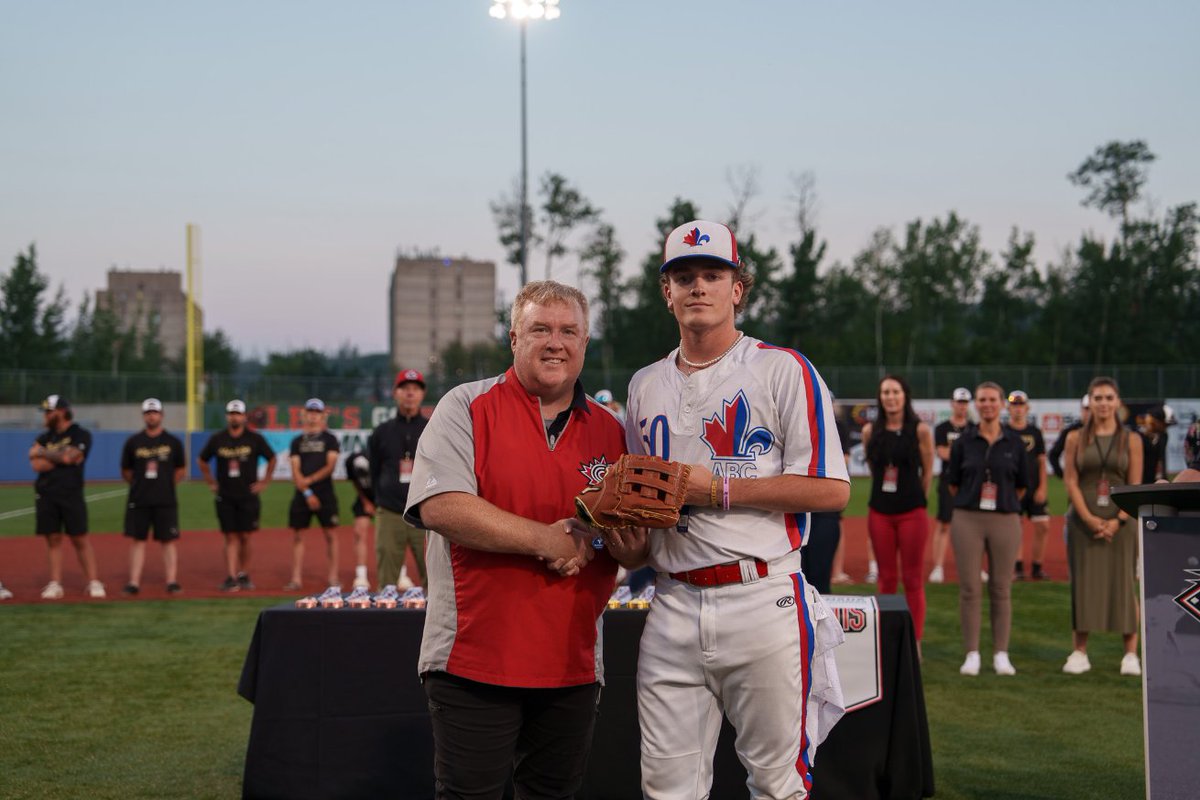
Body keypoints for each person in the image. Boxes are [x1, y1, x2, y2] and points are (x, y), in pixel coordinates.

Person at [618, 220, 850, 799]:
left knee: (776, 786)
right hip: (670, 600)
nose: (699, 287)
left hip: (762, 596)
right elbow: (652, 503)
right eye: (684, 276)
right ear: (666, 292)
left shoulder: (782, 368)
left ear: (737, 289)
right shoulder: (644, 384)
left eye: (713, 275)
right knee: (667, 789)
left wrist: (716, 490)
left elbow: (830, 488)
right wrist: (630, 540)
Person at [403, 280, 624, 799]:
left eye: (569, 331)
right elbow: (441, 505)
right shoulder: (466, 406)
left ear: (585, 342)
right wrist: (547, 541)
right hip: (474, 658)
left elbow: (619, 539)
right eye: (540, 329)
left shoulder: (613, 432)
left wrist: (607, 541)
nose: (555, 342)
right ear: (513, 338)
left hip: (571, 661)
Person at [944, 382, 1030, 677]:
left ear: (1002, 404)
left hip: (1005, 518)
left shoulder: (1015, 443)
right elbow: (953, 482)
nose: (988, 404)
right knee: (969, 588)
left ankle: (1001, 653)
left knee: (1001, 588)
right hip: (967, 517)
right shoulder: (963, 441)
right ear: (975, 404)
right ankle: (972, 653)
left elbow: (1021, 486)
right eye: (982, 400)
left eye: (993, 399)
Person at [1061, 377, 1144, 677]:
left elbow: (1134, 484)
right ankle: (1080, 651)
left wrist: (1117, 520)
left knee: (1124, 584)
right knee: (1083, 585)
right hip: (1084, 522)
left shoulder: (1131, 440)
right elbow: (1070, 480)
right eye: (1098, 398)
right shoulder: (1075, 438)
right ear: (1090, 401)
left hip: (1122, 524)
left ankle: (1131, 654)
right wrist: (1089, 518)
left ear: (1118, 402)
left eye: (1109, 397)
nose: (1104, 403)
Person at [861, 375, 934, 642]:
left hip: (912, 512)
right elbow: (873, 469)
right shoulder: (871, 431)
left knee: (913, 580)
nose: (890, 397)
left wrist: (918, 498)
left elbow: (927, 472)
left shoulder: (920, 430)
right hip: (880, 511)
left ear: (905, 396)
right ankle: (888, 640)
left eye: (895, 391)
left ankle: (914, 643)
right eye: (885, 392)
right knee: (887, 579)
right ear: (880, 398)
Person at [29, 395, 105, 600]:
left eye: (48, 411)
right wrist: (60, 457)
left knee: (79, 538)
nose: (45, 416)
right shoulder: (45, 436)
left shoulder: (80, 434)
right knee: (52, 539)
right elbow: (36, 464)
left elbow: (71, 457)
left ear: (61, 412)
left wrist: (45, 453)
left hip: (71, 493)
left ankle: (93, 581)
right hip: (46, 494)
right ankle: (55, 583)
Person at [197, 399, 277, 591]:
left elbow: (272, 458)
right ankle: (231, 576)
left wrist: (264, 481)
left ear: (244, 416)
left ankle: (244, 574)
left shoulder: (254, 438)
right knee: (230, 537)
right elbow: (202, 459)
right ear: (227, 416)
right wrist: (210, 481)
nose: (234, 417)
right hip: (225, 495)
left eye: (238, 413)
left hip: (248, 495)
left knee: (246, 537)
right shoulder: (218, 439)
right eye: (231, 413)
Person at [368, 369, 429, 590]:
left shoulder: (432, 429)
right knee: (387, 582)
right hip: (390, 512)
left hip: (425, 515)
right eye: (405, 388)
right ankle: (385, 624)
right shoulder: (382, 432)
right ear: (395, 393)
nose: (410, 393)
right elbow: (374, 471)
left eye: (415, 389)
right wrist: (379, 499)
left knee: (434, 579)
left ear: (422, 394)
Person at [120, 398, 187, 595]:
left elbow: (180, 469)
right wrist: (140, 485)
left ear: (161, 415)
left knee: (168, 541)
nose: (151, 415)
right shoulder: (134, 442)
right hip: (139, 499)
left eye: (155, 412)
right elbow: (126, 470)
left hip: (165, 500)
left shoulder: (172, 442)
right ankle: (133, 582)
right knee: (137, 540)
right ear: (143, 416)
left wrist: (165, 484)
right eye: (148, 412)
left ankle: (171, 580)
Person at [286, 398, 341, 592]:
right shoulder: (297, 441)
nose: (313, 415)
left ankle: (333, 577)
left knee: (331, 534)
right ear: (304, 414)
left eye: (317, 412)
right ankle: (296, 578)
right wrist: (307, 491)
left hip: (325, 493)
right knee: (299, 535)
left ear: (323, 415)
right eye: (310, 411)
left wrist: (308, 482)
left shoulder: (330, 439)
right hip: (303, 494)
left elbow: (330, 467)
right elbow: (295, 470)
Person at [801, 416, 851, 594]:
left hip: (823, 509)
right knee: (796, 580)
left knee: (819, 581)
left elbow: (844, 460)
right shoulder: (794, 420)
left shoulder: (836, 425)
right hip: (796, 507)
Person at [929, 387, 974, 583]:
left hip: (970, 481)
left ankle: (974, 566)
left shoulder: (973, 428)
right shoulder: (942, 428)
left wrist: (956, 453)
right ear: (952, 403)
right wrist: (965, 455)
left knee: (973, 524)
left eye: (965, 402)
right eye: (959, 402)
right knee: (944, 523)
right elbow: (942, 453)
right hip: (948, 480)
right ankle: (938, 566)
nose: (962, 406)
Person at [1004, 390, 1049, 581]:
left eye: (1021, 405)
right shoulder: (1004, 431)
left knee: (1043, 526)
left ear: (1027, 408)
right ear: (1008, 408)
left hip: (1033, 488)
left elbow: (1041, 461)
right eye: (1014, 405)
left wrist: (1042, 488)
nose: (1018, 409)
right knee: (1016, 527)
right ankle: (1018, 567)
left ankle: (1037, 567)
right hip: (1012, 488)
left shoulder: (1035, 432)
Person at [344, 446, 374, 590]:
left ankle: (400, 574)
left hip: (385, 496)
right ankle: (361, 576)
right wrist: (365, 502)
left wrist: (379, 503)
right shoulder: (350, 462)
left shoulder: (379, 459)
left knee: (393, 535)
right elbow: (355, 482)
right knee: (359, 532)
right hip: (366, 497)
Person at [1048, 394, 1090, 480]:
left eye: (1092, 409)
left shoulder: (1106, 431)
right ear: (1081, 409)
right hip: (1077, 482)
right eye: (1086, 409)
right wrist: (1063, 475)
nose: (1089, 412)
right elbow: (1053, 454)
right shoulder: (1070, 431)